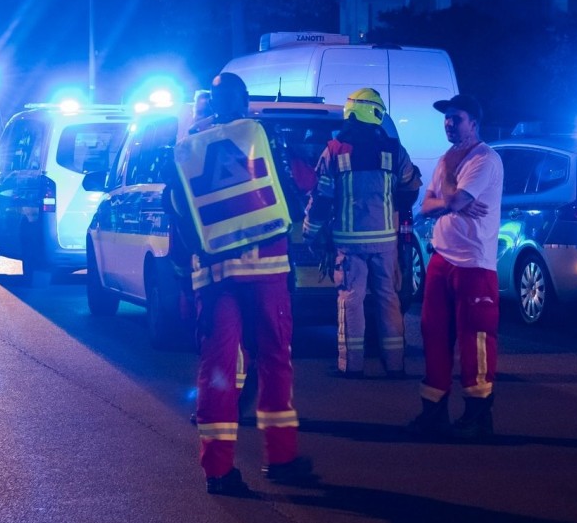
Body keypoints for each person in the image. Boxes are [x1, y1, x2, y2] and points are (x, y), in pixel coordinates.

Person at [165, 72, 313, 495]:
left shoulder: (187, 149)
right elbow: (295, 186)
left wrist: (182, 277)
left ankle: (217, 470)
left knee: (217, 370)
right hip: (266, 270)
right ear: (245, 100)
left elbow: (177, 214)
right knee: (274, 361)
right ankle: (281, 459)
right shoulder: (263, 135)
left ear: (211, 103)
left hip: (213, 278)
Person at [304, 88, 423, 378]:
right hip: (385, 242)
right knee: (388, 298)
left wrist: (310, 231)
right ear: (376, 113)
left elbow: (322, 199)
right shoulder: (394, 150)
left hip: (349, 243)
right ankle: (395, 364)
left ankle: (351, 365)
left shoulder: (334, 150)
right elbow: (412, 187)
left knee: (351, 299)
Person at [408, 93, 503, 440]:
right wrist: (448, 203)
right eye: (446, 118)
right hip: (442, 257)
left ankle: (478, 416)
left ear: (473, 123)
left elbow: (455, 200)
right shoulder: (446, 159)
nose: (448, 123)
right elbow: (427, 205)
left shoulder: (484, 160)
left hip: (474, 263)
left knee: (475, 337)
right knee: (434, 334)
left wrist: (450, 201)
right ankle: (433, 412)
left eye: (456, 117)